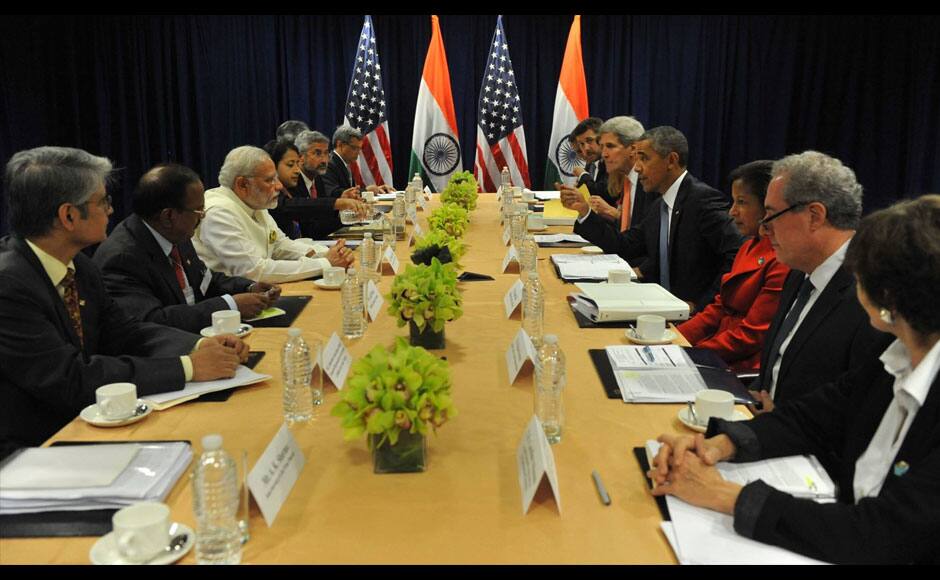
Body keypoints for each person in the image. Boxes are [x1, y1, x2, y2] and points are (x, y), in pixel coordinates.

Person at [648, 195, 940, 564]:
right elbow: (811, 418)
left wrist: (724, 495)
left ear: (890, 296)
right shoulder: (894, 359)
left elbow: (882, 534)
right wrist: (718, 445)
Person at [0, 147, 248, 459]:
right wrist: (187, 368)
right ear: (68, 215)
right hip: (32, 449)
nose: (112, 209)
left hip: (90, 421)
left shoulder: (80, 266)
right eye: (103, 201)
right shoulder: (9, 286)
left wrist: (198, 346)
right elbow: (70, 378)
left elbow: (126, 333)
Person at [748, 151, 889, 413]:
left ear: (814, 216)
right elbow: (776, 371)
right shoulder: (799, 271)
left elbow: (858, 411)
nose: (763, 229)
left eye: (771, 216)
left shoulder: (870, 294)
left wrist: (776, 423)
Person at [563, 126, 743, 312]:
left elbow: (739, 252)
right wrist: (585, 213)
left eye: (644, 158)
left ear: (671, 160)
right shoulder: (661, 204)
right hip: (658, 306)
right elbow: (625, 246)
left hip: (690, 316)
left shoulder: (702, 200)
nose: (638, 167)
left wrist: (703, 305)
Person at [93, 164, 281, 334]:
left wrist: (248, 287)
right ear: (168, 216)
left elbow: (204, 279)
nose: (202, 217)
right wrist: (230, 305)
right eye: (199, 211)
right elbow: (152, 321)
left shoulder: (175, 232)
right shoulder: (122, 258)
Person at [676, 161, 790, 373]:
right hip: (715, 351)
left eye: (742, 202)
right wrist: (675, 338)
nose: (732, 212)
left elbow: (751, 336)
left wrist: (689, 353)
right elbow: (719, 308)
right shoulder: (748, 246)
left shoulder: (781, 259)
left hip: (739, 367)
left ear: (768, 207)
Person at [192, 145, 354, 284]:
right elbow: (254, 271)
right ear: (242, 184)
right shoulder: (219, 212)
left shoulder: (254, 203)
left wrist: (326, 253)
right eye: (269, 180)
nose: (278, 186)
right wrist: (325, 263)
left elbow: (280, 245)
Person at [563, 116, 656, 233]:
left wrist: (607, 212)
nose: (604, 154)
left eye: (610, 146)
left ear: (633, 149)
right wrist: (585, 212)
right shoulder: (628, 180)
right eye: (602, 147)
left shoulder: (648, 185)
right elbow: (627, 240)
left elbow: (634, 242)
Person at [265, 138, 368, 240]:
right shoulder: (273, 196)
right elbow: (289, 206)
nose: (297, 170)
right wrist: (337, 203)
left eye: (297, 163)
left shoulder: (315, 180)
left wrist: (347, 217)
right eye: (291, 165)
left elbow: (315, 226)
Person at [321, 125, 393, 198]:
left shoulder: (345, 164)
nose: (358, 153)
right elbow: (334, 193)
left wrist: (375, 190)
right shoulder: (328, 164)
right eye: (354, 148)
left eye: (359, 149)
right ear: (340, 145)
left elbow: (347, 190)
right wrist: (365, 191)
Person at [569, 117, 608, 199]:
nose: (586, 148)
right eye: (582, 144)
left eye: (590, 140)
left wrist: (583, 175)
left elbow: (602, 195)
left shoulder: (610, 163)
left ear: (601, 139)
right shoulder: (591, 164)